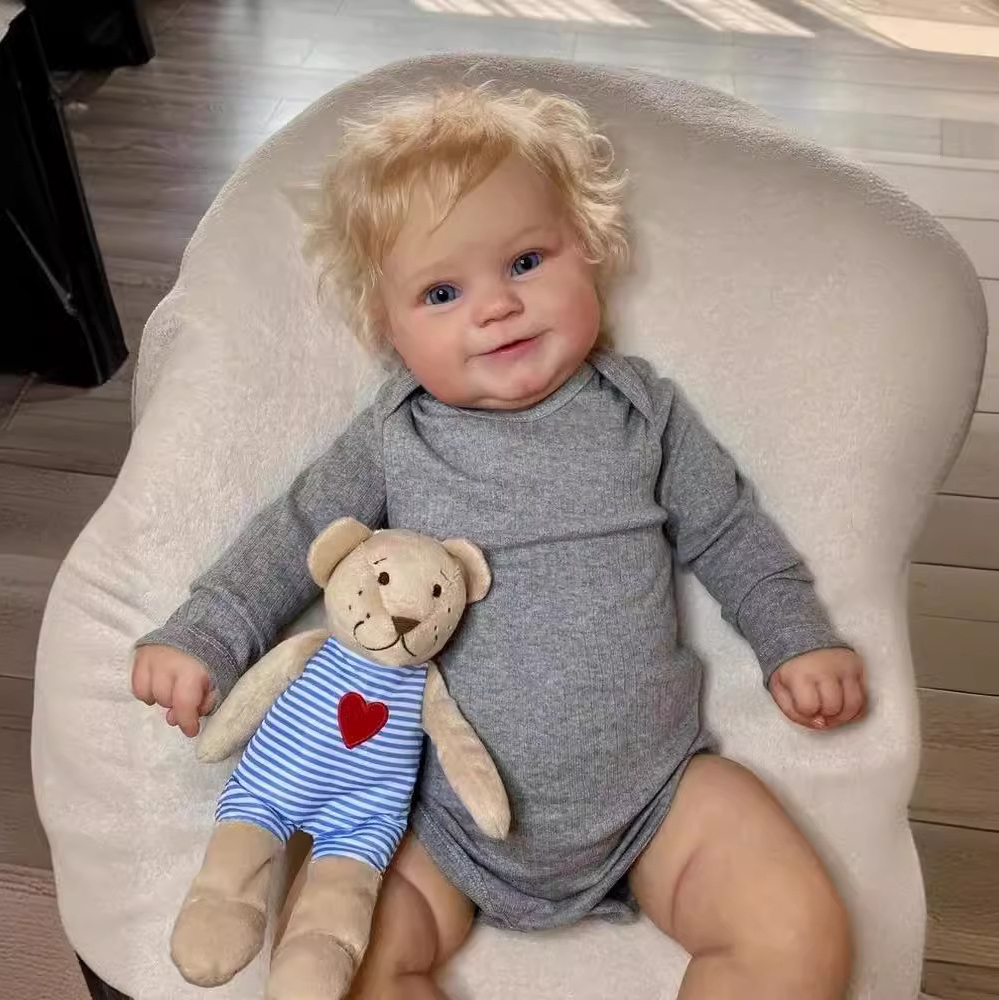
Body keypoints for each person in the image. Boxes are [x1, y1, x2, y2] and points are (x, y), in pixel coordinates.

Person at [131, 85, 866, 1000]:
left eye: (525, 261)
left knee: (796, 928)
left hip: (657, 796)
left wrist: (798, 638)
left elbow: (729, 532)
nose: (498, 307)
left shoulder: (640, 415)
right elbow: (295, 536)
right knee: (340, 956)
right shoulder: (396, 436)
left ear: (588, 249)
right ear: (389, 330)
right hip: (437, 819)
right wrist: (206, 633)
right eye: (442, 293)